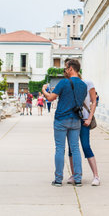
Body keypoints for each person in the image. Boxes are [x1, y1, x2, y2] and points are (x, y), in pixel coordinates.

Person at [42, 59, 87, 187]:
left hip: (61, 119)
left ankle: (58, 179)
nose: (65, 71)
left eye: (66, 68)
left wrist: (44, 90)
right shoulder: (83, 85)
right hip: (76, 119)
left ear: (71, 69)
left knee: (60, 149)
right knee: (75, 149)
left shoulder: (64, 82)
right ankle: (78, 179)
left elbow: (50, 98)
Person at [67, 75, 100, 186]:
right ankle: (74, 175)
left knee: (86, 146)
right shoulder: (69, 84)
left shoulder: (87, 83)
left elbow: (94, 101)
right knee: (72, 148)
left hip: (84, 120)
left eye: (67, 69)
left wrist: (90, 117)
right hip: (73, 120)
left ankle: (96, 176)